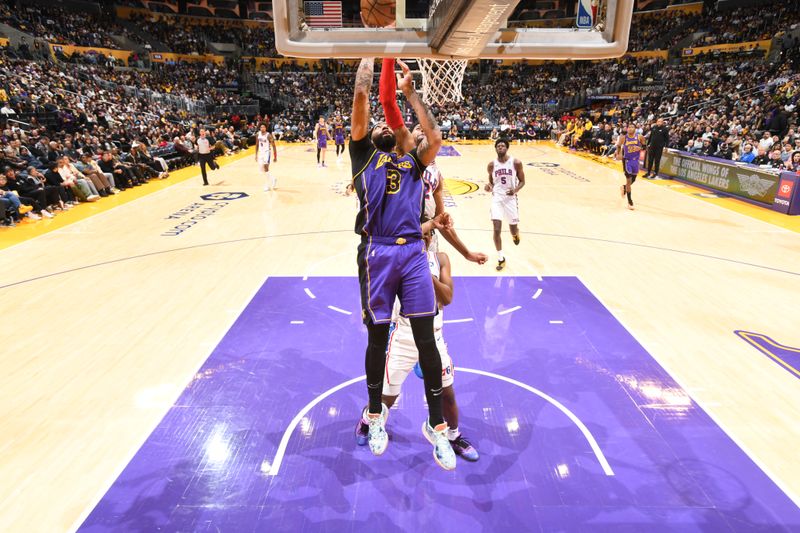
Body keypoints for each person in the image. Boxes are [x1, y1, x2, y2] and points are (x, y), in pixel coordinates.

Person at [350, 57, 456, 470]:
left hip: (412, 251)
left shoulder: (414, 161)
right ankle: (376, 416)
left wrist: (411, 94)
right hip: (376, 251)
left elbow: (435, 134)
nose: (380, 125)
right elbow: (362, 93)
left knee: (426, 338)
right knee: (378, 338)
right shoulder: (362, 158)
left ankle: (436, 426)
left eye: (386, 125)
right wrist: (369, 51)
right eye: (374, 125)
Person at [355, 224, 479, 463]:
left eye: (426, 234)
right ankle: (367, 420)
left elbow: (448, 297)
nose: (422, 239)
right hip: (404, 338)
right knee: (385, 400)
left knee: (448, 395)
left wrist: (424, 275)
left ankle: (452, 436)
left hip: (434, 337)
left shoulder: (440, 259)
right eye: (417, 235)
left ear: (431, 237)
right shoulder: (398, 261)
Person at [377, 58, 488, 265]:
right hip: (399, 235)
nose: (420, 127)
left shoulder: (436, 175)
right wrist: (388, 55)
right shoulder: (408, 153)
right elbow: (388, 103)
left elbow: (441, 220)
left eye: (423, 127)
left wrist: (466, 253)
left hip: (428, 237)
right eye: (416, 127)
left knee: (436, 297)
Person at [485, 139, 525, 271]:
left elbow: (522, 181)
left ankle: (515, 233)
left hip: (510, 199)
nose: (500, 147)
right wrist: (489, 186)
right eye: (498, 146)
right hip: (497, 198)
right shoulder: (491, 165)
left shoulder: (516, 163)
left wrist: (515, 190)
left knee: (513, 228)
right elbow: (491, 181)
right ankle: (501, 258)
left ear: (507, 148)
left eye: (503, 145)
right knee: (496, 229)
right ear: (495, 149)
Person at [615, 123, 645, 210]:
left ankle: (624, 188)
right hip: (627, 160)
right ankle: (630, 201)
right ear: (627, 129)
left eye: (632, 127)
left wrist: (640, 148)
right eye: (629, 127)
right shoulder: (623, 137)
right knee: (628, 180)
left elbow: (645, 146)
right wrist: (619, 154)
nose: (631, 128)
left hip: (635, 160)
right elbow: (618, 146)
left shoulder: (640, 137)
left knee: (633, 179)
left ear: (635, 129)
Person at [255, 124, 278, 191]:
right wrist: (256, 155)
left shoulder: (268, 135)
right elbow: (257, 145)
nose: (262, 128)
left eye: (263, 127)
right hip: (260, 153)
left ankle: (267, 185)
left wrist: (275, 156)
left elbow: (274, 146)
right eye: (261, 127)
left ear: (266, 128)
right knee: (263, 170)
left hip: (267, 153)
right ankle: (273, 179)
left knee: (266, 167)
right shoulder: (257, 134)